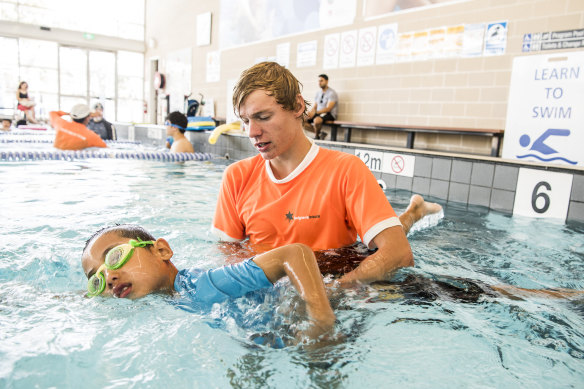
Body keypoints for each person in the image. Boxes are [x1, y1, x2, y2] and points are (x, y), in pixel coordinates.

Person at [212, 62, 441, 287]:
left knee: (379, 244)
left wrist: (328, 295)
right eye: (245, 121)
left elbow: (398, 254)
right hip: (273, 293)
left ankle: (413, 212)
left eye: (263, 117)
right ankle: (414, 210)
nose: (252, 132)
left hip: (338, 275)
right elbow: (229, 259)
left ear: (297, 106)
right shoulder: (236, 177)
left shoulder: (346, 170)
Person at [81, 224, 335, 339]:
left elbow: (295, 253)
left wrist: (319, 319)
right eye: (97, 280)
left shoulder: (203, 285)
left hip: (309, 308)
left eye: (115, 257)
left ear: (162, 251)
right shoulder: (164, 299)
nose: (110, 277)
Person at [303, 74, 338, 140]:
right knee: (302, 120)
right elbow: (315, 106)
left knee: (317, 120)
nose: (319, 83)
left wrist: (315, 112)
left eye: (321, 81)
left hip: (329, 114)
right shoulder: (318, 93)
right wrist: (310, 113)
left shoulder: (332, 93)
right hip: (319, 113)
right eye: (319, 81)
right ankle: (320, 133)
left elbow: (328, 108)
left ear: (327, 81)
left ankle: (316, 137)